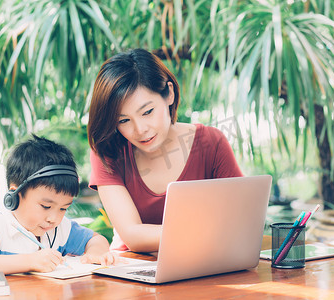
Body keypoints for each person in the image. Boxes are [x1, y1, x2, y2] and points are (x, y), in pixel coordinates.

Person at [88, 48, 243, 253]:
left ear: (169, 94)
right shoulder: (108, 151)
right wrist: (210, 231)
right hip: (135, 271)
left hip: (207, 267)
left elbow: (242, 220)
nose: (140, 129)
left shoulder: (211, 143)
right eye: (123, 120)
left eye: (147, 112)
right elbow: (133, 235)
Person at [0, 134, 117, 274]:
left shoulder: (60, 229)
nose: (54, 218)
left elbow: (97, 240)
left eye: (63, 208)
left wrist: (95, 253)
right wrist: (30, 261)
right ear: (15, 195)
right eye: (46, 206)